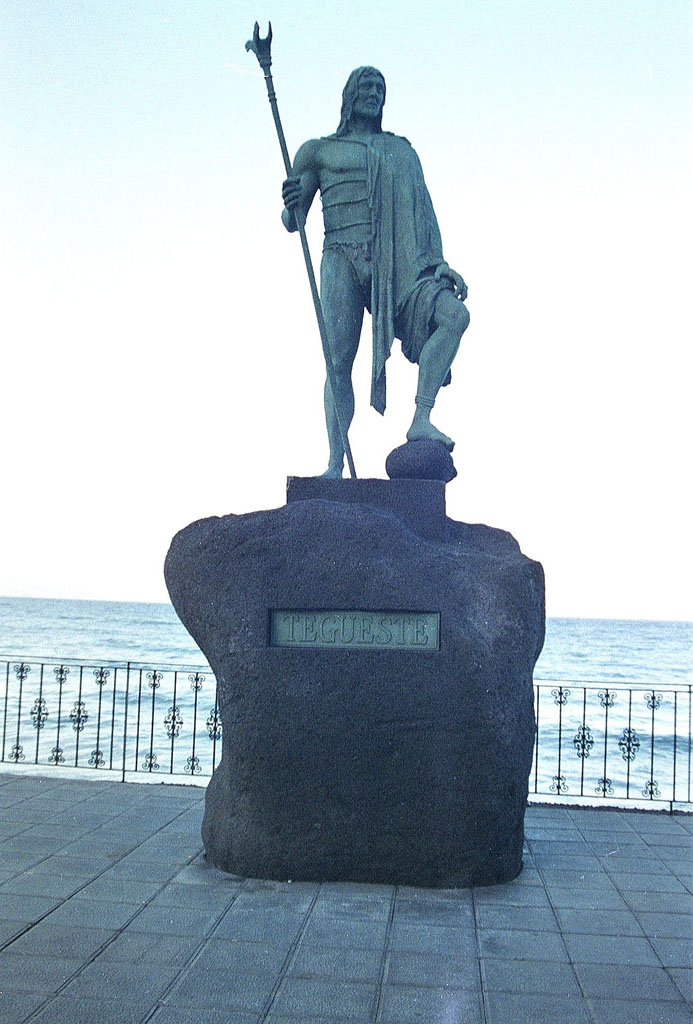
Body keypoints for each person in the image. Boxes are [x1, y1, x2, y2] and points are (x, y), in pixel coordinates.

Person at [282, 66, 469, 478]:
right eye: (366, 86)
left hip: (396, 267)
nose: (374, 93)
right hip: (341, 257)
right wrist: (291, 200)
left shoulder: (399, 151)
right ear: (349, 94)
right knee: (337, 360)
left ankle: (421, 418)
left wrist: (439, 263)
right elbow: (294, 220)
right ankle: (334, 464)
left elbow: (424, 213)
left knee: (455, 316)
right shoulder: (318, 150)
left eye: (381, 88)